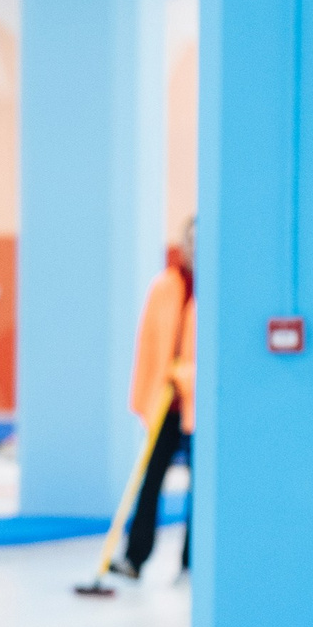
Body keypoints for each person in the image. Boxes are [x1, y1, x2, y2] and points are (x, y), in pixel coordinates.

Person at [116, 217, 197, 579]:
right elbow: (148, 344)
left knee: (202, 485)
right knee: (150, 480)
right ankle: (135, 556)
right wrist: (144, 395)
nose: (195, 248)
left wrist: (187, 375)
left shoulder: (218, 289)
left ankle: (193, 560)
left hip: (199, 403)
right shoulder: (164, 287)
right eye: (190, 240)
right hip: (164, 400)